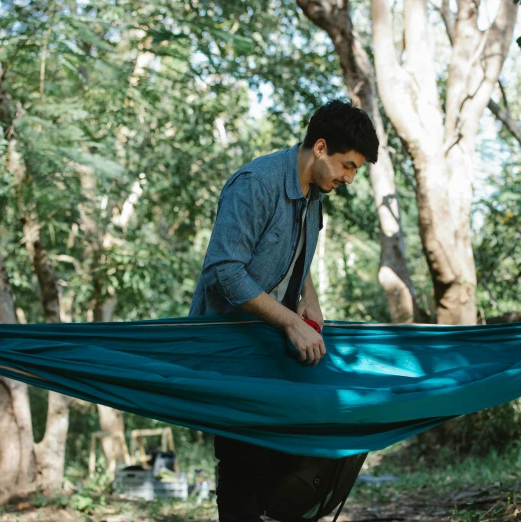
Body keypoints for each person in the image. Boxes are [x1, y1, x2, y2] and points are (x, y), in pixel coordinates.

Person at [188, 99, 379, 522]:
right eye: (347, 166)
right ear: (321, 148)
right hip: (229, 348)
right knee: (242, 464)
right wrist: (291, 321)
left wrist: (308, 297)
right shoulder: (255, 184)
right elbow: (223, 270)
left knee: (292, 451)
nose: (348, 178)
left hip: (269, 348)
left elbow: (294, 256)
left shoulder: (315, 195)